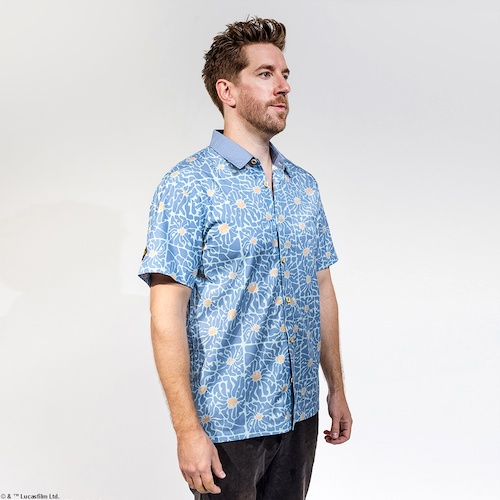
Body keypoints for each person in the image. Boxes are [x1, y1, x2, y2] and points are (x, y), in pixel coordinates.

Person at [139, 17, 352, 499]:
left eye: (285, 74)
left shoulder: (304, 187)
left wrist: (336, 388)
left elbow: (322, 290)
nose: (284, 86)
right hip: (228, 425)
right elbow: (166, 317)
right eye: (265, 74)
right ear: (227, 91)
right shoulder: (187, 186)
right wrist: (187, 431)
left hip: (299, 416)